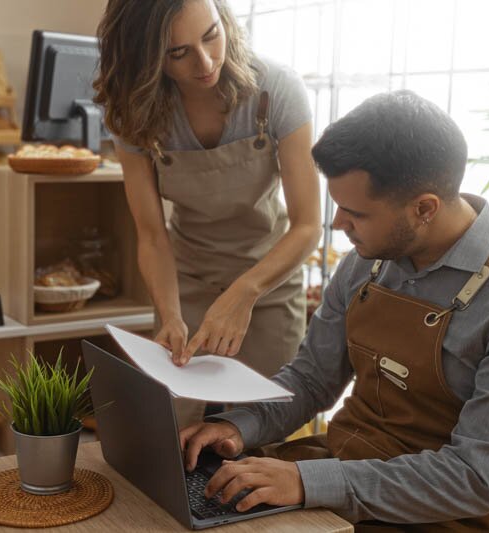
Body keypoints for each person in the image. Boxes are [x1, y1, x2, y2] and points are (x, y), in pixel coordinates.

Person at [179, 90, 489, 531]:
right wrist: (240, 426)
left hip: (445, 518)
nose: (336, 225)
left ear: (424, 208)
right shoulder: (367, 261)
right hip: (342, 469)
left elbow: (474, 477)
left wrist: (307, 482)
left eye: (355, 213)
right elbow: (310, 380)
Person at [92, 0, 322, 424]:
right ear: (145, 58)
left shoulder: (276, 90)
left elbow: (308, 225)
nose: (205, 62)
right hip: (185, 283)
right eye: (177, 53)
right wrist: (171, 313)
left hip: (267, 282)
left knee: (270, 429)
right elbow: (151, 235)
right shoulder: (133, 111)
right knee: (177, 427)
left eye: (211, 35)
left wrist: (245, 292)